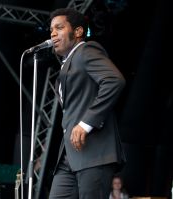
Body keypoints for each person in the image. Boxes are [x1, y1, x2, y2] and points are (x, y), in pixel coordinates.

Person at [48, 8, 126, 199]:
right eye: (51, 30)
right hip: (69, 157)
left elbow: (114, 80)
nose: (53, 33)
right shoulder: (67, 64)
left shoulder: (86, 50)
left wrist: (86, 123)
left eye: (59, 27)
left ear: (78, 32)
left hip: (94, 153)